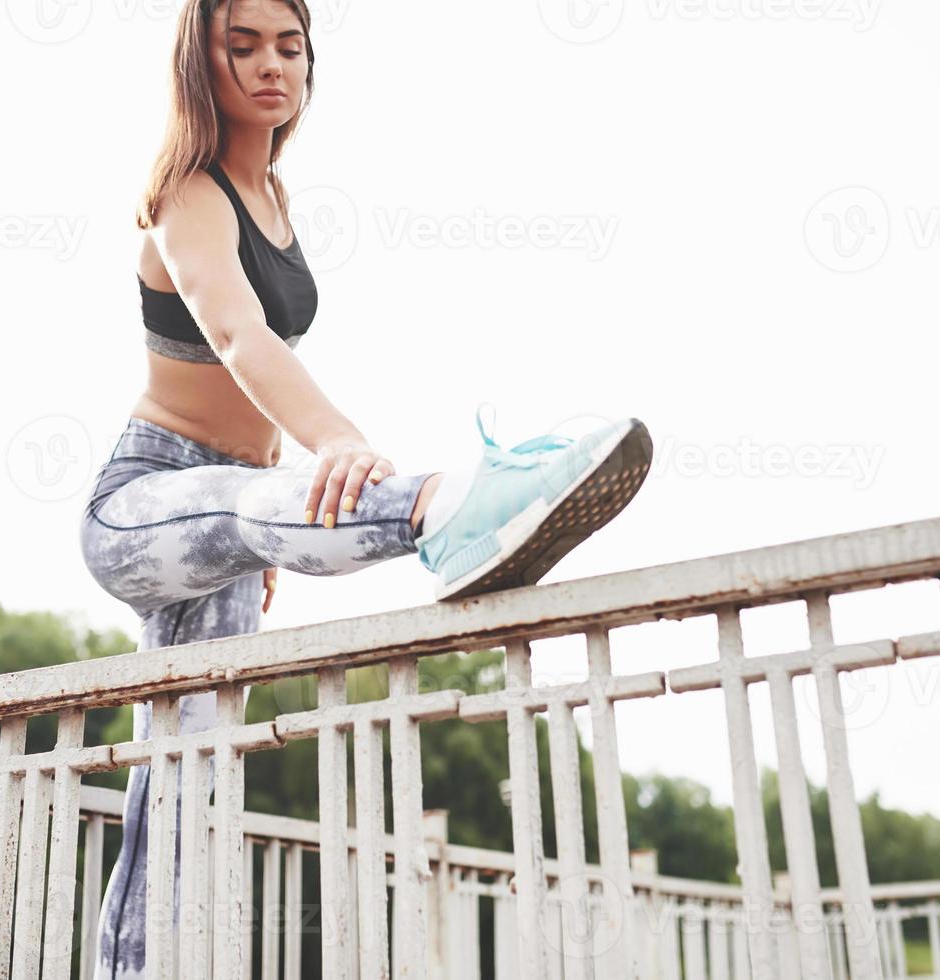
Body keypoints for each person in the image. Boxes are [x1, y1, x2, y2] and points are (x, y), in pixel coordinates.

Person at [77, 1, 653, 975]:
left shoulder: (276, 197)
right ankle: (447, 509)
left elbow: (253, 399)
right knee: (265, 505)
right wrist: (332, 445)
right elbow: (237, 337)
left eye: (290, 46)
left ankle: (131, 968)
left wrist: (265, 523)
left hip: (229, 515)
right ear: (199, 60)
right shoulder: (187, 192)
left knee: (187, 762)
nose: (271, 66)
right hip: (144, 503)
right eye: (243, 44)